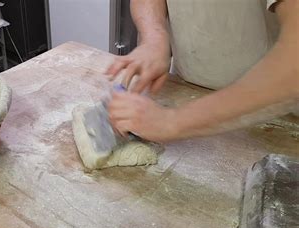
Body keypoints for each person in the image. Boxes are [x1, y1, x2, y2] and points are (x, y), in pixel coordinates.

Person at [107, 0, 298, 142]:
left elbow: (293, 65)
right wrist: (154, 36)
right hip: (185, 91)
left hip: (273, 119)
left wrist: (171, 122)